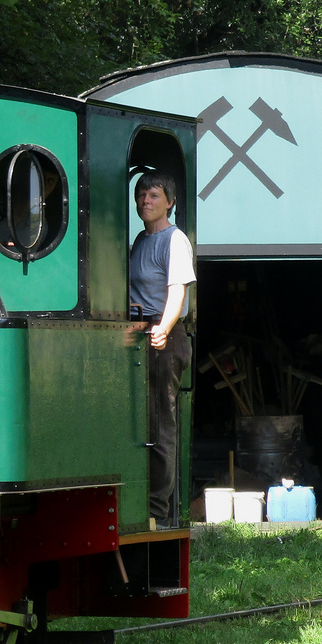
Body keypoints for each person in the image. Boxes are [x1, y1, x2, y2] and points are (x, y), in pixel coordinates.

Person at [128, 171, 195, 525]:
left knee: (160, 424)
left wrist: (164, 328)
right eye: (141, 195)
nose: (145, 201)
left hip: (163, 337)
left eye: (153, 195)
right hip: (139, 334)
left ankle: (160, 512)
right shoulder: (140, 241)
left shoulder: (175, 240)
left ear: (169, 201)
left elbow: (178, 291)